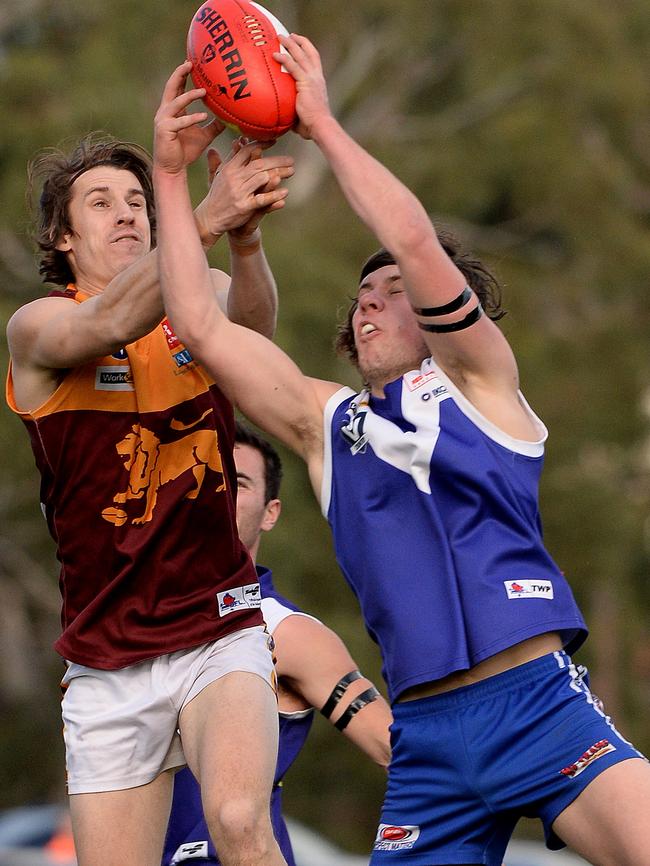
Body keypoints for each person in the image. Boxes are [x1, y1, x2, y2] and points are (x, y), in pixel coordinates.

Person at [152, 43, 650, 866]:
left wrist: (321, 124)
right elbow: (203, 330)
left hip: (535, 706)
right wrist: (172, 177)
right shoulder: (325, 425)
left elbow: (414, 242)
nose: (375, 301)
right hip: (427, 742)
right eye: (365, 296)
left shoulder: (487, 387)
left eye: (394, 293)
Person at [5, 64, 295, 866]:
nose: (127, 213)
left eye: (139, 200)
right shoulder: (39, 329)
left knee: (239, 820)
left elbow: (254, 340)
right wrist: (196, 208)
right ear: (63, 239)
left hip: (216, 623)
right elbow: (106, 316)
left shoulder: (191, 294)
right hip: (106, 655)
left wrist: (243, 236)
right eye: (102, 204)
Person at [163, 421, 392, 866]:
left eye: (238, 483)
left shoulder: (288, 630)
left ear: (271, 512)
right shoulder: (123, 624)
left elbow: (394, 750)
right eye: (206, 476)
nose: (217, 491)